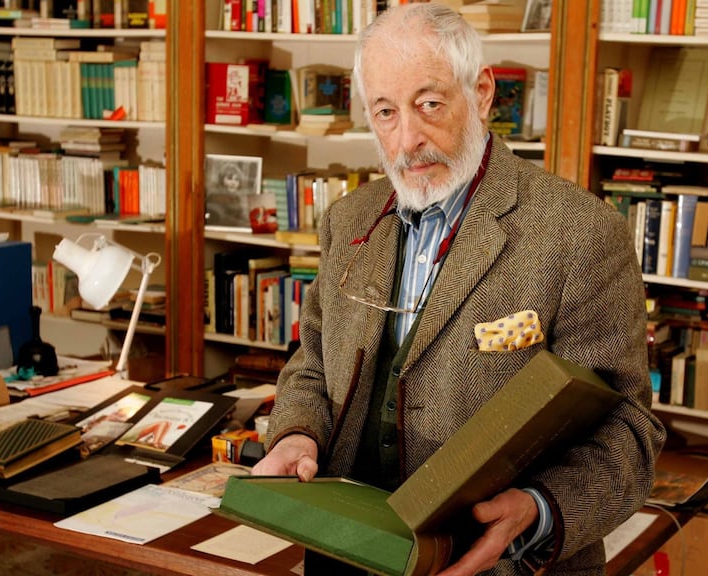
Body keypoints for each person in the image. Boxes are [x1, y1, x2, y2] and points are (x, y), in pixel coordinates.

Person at [251, 4, 665, 575]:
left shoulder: (580, 231)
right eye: (386, 113)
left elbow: (629, 431)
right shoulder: (349, 221)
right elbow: (312, 364)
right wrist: (296, 435)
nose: (408, 139)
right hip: (343, 551)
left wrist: (541, 508)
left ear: (483, 92)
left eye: (430, 104)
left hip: (501, 565)